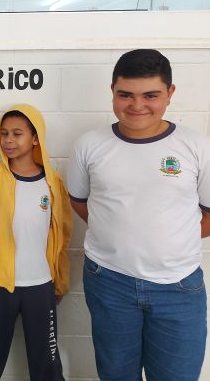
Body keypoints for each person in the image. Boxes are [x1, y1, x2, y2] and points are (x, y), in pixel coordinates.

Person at [68, 49, 210, 380]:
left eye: (150, 95)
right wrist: (117, 233)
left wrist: (171, 240)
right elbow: (79, 202)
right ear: (112, 91)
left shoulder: (197, 146)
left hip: (178, 287)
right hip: (109, 282)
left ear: (170, 93)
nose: (137, 105)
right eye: (126, 95)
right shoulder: (89, 145)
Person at [0, 104, 72, 381]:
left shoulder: (53, 182)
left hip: (40, 285)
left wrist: (60, 282)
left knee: (47, 361)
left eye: (17, 133)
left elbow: (62, 238)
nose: (8, 140)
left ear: (35, 138)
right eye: (4, 133)